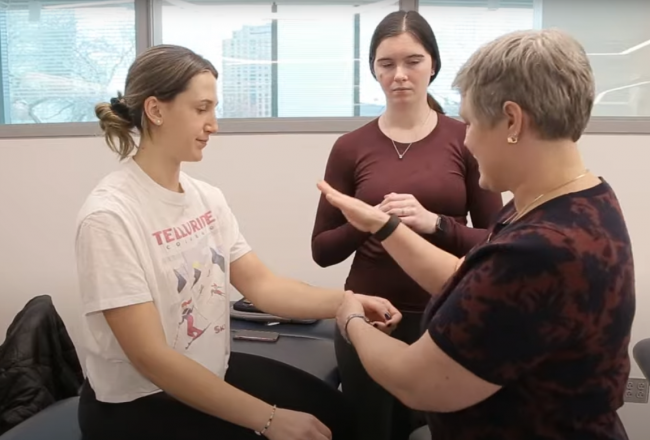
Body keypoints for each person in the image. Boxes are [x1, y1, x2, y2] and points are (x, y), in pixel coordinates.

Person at [317, 28, 635, 440]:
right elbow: (470, 277)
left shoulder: (542, 249)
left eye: (468, 122)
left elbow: (417, 381)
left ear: (512, 120)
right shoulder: (579, 200)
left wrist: (351, 316)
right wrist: (385, 225)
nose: (465, 138)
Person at [74, 44, 401, 440]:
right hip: (139, 401)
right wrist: (268, 419)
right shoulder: (109, 216)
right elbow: (151, 357)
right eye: (201, 109)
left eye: (214, 109)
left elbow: (262, 286)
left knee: (336, 416)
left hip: (210, 369)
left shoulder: (204, 197)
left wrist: (346, 302)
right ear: (156, 110)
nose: (214, 124)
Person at [310, 10, 502, 440]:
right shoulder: (349, 147)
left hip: (447, 317)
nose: (399, 75)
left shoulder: (465, 139)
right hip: (369, 321)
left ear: (433, 64)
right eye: (386, 63)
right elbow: (322, 251)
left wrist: (437, 224)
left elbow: (497, 240)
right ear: (373, 70)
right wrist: (372, 221)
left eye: (412, 61)